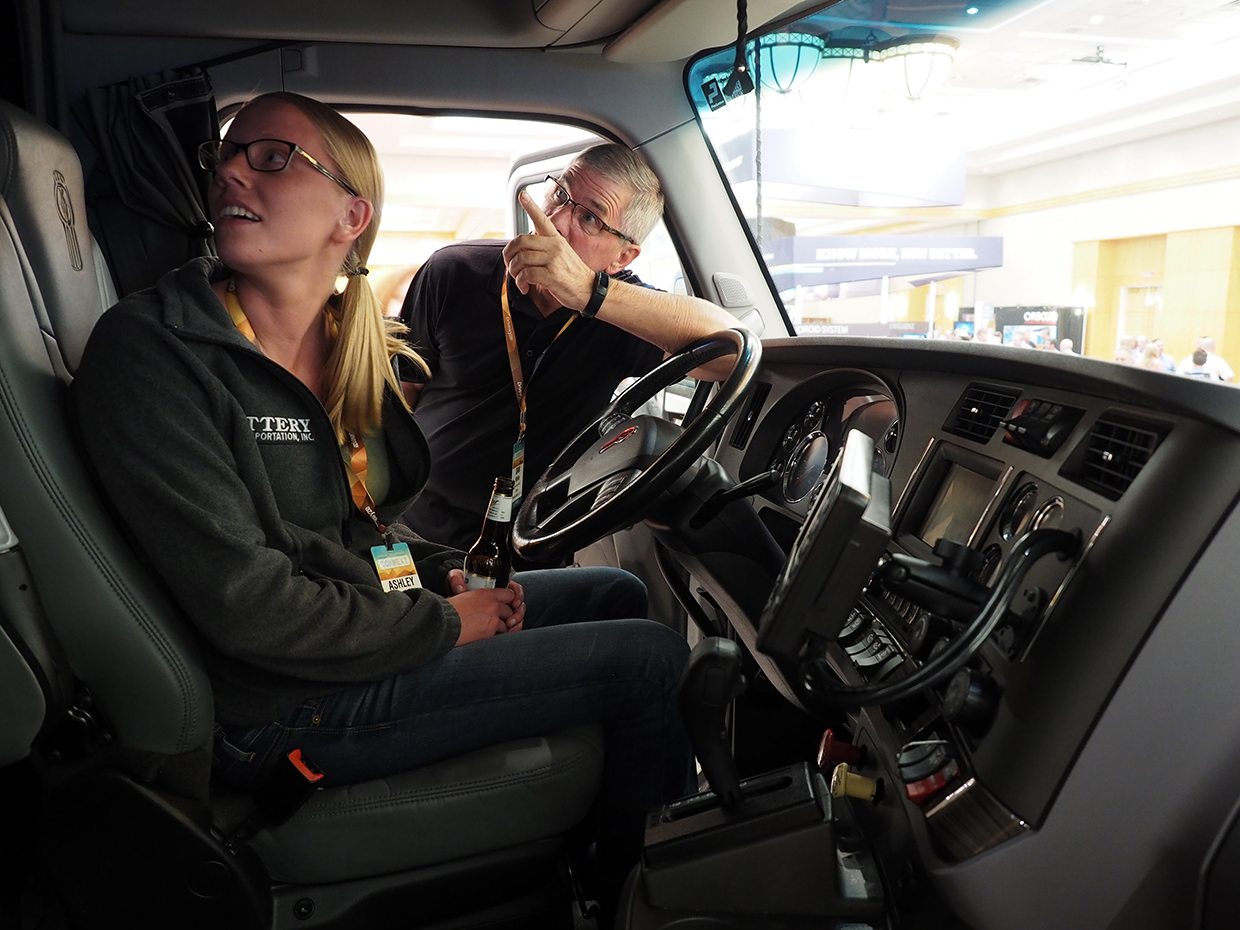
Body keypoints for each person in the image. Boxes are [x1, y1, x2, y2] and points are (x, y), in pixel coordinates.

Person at [70, 92, 694, 918]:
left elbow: (357, 531)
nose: (230, 173)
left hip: (345, 630)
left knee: (616, 592)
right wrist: (442, 623)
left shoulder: (331, 341)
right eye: (226, 155)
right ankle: (639, 904)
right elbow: (251, 608)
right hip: (275, 704)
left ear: (351, 216)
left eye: (271, 158)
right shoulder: (159, 354)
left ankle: (584, 855)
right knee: (650, 658)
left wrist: (434, 575)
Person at [397, 144, 739, 556]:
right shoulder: (454, 271)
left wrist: (588, 293)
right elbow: (401, 399)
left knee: (622, 590)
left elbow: (732, 351)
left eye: (590, 217)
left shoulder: (622, 312)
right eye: (560, 195)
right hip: (415, 531)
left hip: (528, 548)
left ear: (622, 256)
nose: (557, 222)